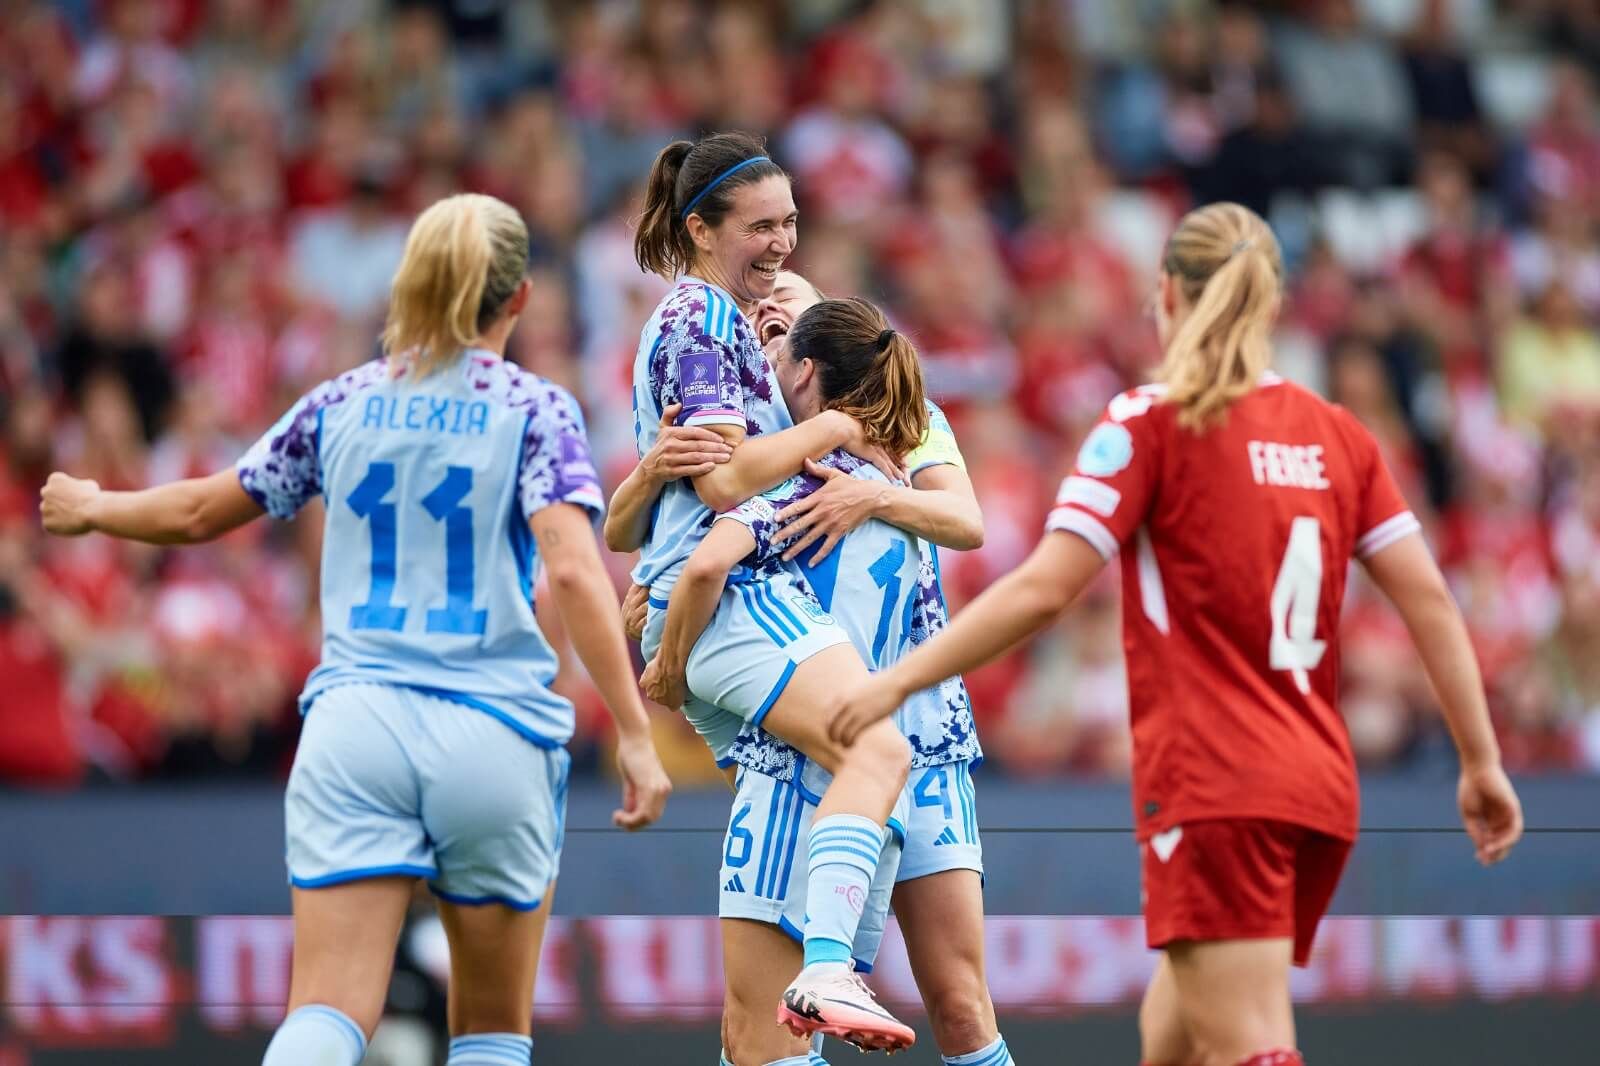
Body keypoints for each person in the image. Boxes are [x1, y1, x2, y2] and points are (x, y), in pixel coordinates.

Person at [825, 203, 1525, 1066]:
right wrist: (1482, 761)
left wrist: (896, 682)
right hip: (1316, 783)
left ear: (1165, 293)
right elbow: (1430, 603)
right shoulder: (1340, 436)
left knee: (1249, 1046)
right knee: (1176, 1040)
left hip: (1216, 782)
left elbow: (1047, 588)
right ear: (1270, 306)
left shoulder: (1150, 423)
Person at [40, 193, 673, 1066]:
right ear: (518, 298)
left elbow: (196, 511)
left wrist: (93, 505)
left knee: (328, 1011)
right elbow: (570, 569)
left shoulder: (341, 402)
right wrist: (636, 736)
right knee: (491, 1029)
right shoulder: (537, 409)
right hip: (492, 730)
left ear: (408, 284)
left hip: (356, 726)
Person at [627, 131, 919, 1052]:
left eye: (792, 221)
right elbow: (723, 485)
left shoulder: (726, 328)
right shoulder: (699, 321)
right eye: (760, 225)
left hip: (730, 600)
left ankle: (813, 981)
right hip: (735, 598)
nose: (784, 242)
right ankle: (831, 967)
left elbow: (657, 505)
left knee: (757, 1029)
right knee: (876, 749)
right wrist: (839, 418)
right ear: (700, 229)